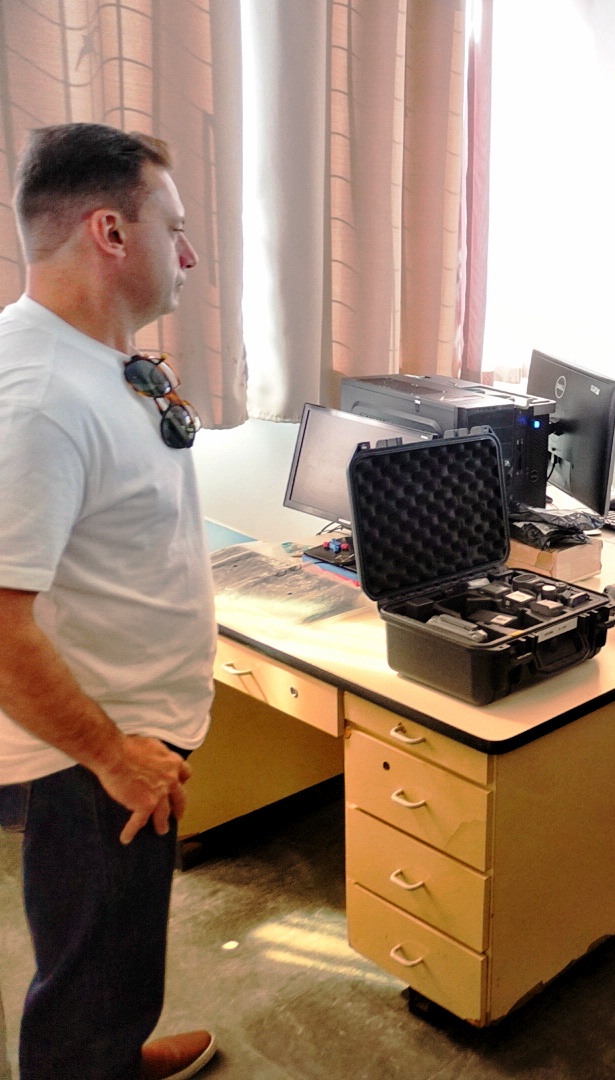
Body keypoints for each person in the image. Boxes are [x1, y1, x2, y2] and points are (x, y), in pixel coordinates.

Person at [0, 123, 219, 1079]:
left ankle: (113, 1054)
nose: (189, 254)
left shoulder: (95, 357)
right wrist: (111, 755)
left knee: (116, 951)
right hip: (86, 755)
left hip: (125, 729)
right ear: (111, 232)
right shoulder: (39, 397)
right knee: (91, 970)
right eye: (175, 227)